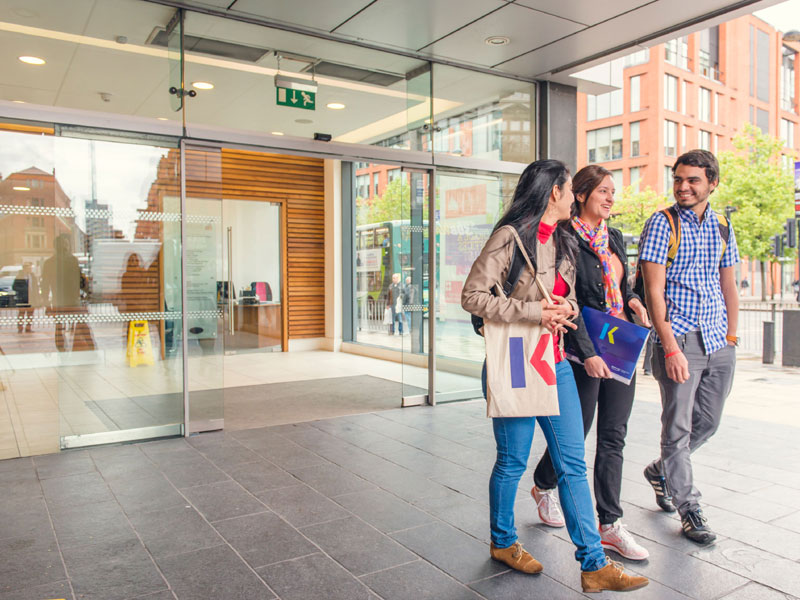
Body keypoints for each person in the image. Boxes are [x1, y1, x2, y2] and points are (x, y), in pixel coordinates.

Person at [462, 159, 648, 593]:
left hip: (556, 361)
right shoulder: (510, 237)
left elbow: (570, 300)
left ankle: (594, 564)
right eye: (568, 188)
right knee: (512, 460)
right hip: (515, 359)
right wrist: (534, 312)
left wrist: (567, 308)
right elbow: (472, 296)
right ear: (554, 193)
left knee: (572, 464)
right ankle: (503, 542)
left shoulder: (564, 239)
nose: (573, 197)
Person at [529, 165, 651, 561]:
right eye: (603, 191)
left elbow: (622, 286)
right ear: (580, 194)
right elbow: (571, 301)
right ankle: (543, 483)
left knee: (614, 434)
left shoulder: (612, 236)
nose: (611, 198)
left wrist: (634, 301)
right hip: (583, 347)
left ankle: (610, 523)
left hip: (620, 344)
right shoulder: (564, 237)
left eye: (613, 191)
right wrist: (589, 353)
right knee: (576, 432)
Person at [638, 149, 739, 545]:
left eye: (693, 180)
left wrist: (731, 337)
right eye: (678, 179)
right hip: (679, 338)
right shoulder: (662, 224)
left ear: (712, 183)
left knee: (708, 422)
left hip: (718, 338)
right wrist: (669, 347)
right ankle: (689, 508)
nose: (683, 187)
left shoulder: (723, 226)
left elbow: (728, 284)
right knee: (677, 428)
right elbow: (654, 291)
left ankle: (659, 470)